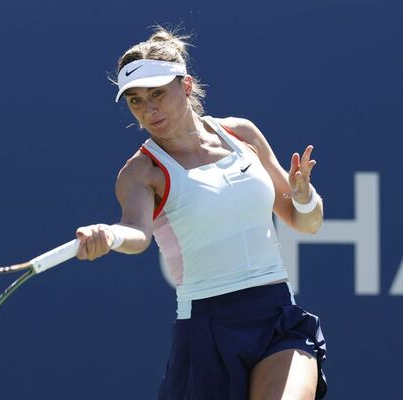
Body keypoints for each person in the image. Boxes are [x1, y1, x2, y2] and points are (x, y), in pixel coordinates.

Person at [75, 26, 327, 400]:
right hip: (208, 332)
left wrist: (305, 196)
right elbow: (137, 233)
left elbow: (305, 221)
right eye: (136, 101)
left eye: (158, 93)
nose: (149, 109)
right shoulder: (141, 173)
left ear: (187, 86)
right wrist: (110, 236)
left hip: (278, 318)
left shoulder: (242, 134)